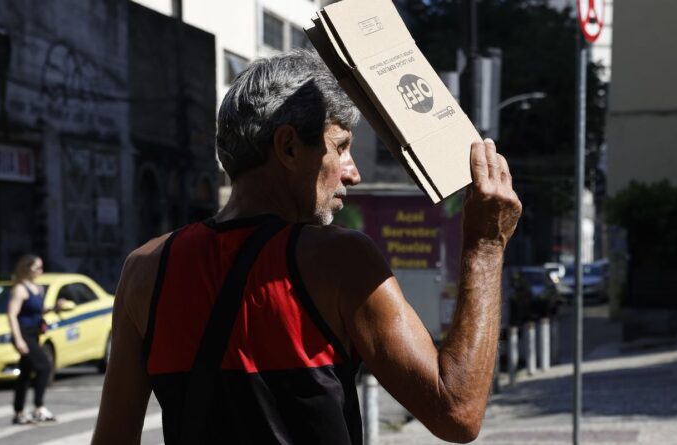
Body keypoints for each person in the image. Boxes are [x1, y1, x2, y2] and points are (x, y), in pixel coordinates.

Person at [93, 49, 521, 444]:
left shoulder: (145, 268)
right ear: (289, 147)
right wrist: (485, 246)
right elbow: (457, 411)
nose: (351, 174)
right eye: (341, 147)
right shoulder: (340, 262)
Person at [7, 254, 58, 424]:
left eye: (41, 268)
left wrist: (54, 308)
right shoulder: (20, 289)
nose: (40, 271)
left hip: (34, 334)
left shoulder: (38, 288)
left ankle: (19, 412)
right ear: (26, 268)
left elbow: (37, 311)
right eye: (37, 268)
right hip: (23, 335)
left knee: (26, 373)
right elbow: (12, 315)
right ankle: (39, 407)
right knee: (44, 366)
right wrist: (19, 339)